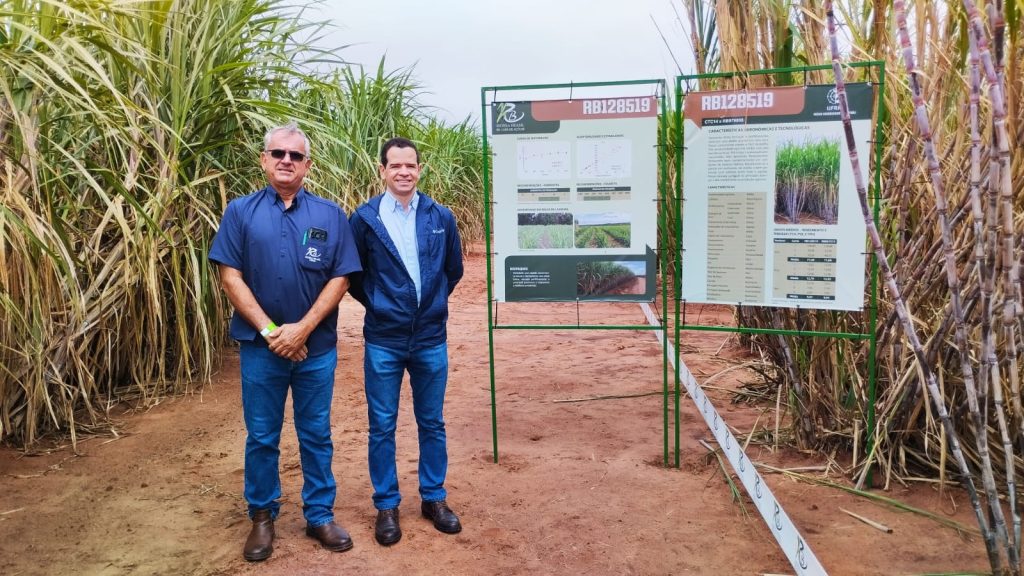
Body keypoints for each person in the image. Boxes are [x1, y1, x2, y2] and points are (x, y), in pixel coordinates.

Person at [208, 122, 362, 561]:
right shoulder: (240, 212)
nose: (286, 161)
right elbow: (230, 276)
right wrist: (272, 332)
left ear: (307, 165)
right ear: (264, 159)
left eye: (295, 156)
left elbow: (341, 277)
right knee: (261, 435)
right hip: (262, 351)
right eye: (278, 153)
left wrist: (302, 330)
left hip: (315, 350)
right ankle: (262, 517)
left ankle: (319, 515)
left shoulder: (330, 215)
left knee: (316, 433)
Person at [349, 137, 464, 546]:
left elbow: (452, 271)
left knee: (432, 421)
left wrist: (429, 306)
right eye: (395, 165)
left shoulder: (440, 216)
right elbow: (356, 277)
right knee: (382, 425)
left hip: (430, 338)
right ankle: (387, 505)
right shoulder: (364, 219)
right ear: (382, 170)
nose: (403, 172)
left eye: (410, 165)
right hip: (384, 339)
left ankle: (434, 498)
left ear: (419, 169)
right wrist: (382, 305)